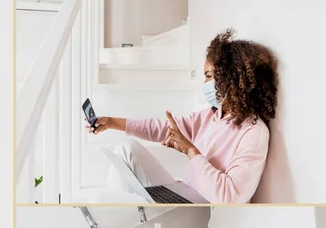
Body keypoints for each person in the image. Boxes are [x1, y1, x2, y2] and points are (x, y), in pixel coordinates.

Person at [88, 29, 279, 203]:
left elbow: (230, 197)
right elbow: (161, 129)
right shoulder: (211, 116)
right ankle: (116, 211)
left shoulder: (254, 132)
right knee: (125, 150)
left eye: (209, 76)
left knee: (109, 197)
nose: (204, 83)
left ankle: (114, 211)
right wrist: (112, 123)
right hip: (182, 192)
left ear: (231, 80)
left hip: (198, 210)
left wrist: (190, 150)